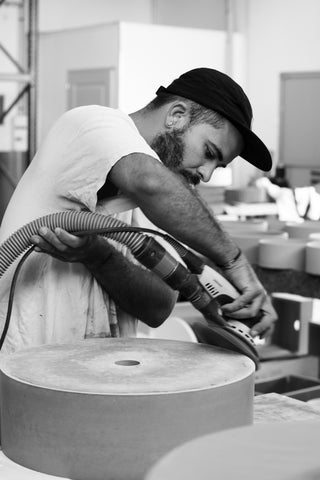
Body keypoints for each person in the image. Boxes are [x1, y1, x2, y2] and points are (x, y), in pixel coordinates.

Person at [0, 67, 277, 354]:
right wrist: (235, 262)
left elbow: (158, 308)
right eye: (209, 153)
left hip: (96, 378)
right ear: (176, 115)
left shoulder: (169, 201)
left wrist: (99, 256)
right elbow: (148, 181)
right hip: (23, 364)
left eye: (217, 167)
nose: (206, 175)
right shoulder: (91, 123)